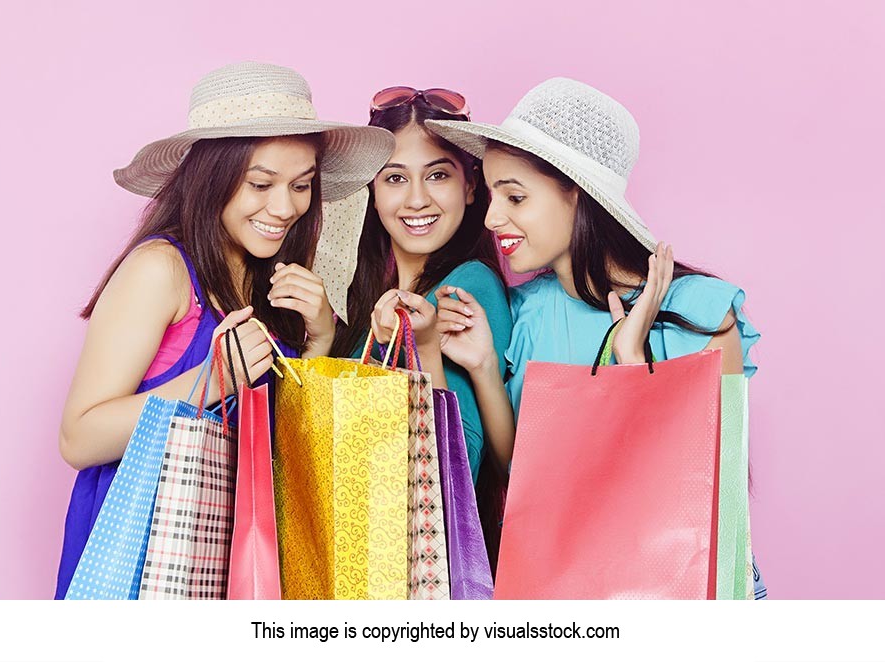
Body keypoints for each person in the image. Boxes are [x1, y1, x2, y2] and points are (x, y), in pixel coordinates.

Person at [54, 62, 393, 599]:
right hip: (146, 555)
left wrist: (321, 340)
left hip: (240, 555)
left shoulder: (269, 279)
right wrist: (215, 379)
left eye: (302, 185)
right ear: (213, 177)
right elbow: (78, 436)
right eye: (261, 183)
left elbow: (285, 445)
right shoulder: (161, 270)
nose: (284, 208)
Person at [427, 77, 767, 597]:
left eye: (515, 196)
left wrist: (633, 366)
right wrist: (486, 371)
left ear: (579, 196)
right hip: (568, 591)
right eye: (493, 194)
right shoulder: (528, 313)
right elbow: (528, 486)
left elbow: (708, 498)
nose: (493, 217)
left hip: (690, 594)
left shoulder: (703, 313)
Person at [330, 86, 512, 483]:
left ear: (469, 186)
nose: (416, 199)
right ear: (372, 192)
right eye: (395, 178)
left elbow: (457, 471)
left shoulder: (465, 289)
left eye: (438, 175)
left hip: (421, 542)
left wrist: (423, 346)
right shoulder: (364, 293)